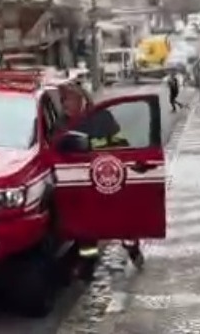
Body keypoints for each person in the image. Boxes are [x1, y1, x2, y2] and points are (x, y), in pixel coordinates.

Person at [57, 87, 145, 275]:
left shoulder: (102, 118)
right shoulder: (63, 123)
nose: (64, 103)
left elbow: (121, 144)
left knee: (120, 220)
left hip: (105, 176)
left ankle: (133, 249)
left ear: (82, 100)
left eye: (68, 99)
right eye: (63, 99)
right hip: (80, 181)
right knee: (86, 228)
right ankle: (88, 265)